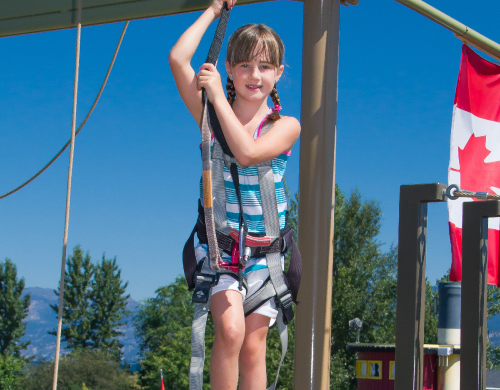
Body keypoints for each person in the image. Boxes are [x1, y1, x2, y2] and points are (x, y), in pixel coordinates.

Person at [169, 0, 301, 389]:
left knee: (253, 345)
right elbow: (178, 59)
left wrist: (217, 99)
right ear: (229, 68)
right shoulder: (210, 114)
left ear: (278, 73)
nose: (253, 75)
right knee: (229, 332)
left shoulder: (285, 126)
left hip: (266, 254)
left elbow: (247, 151)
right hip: (222, 250)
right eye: (244, 65)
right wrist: (214, 10)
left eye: (263, 67)